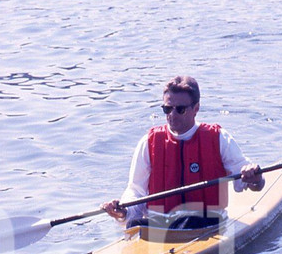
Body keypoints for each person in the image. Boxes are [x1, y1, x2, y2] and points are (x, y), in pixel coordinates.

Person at [101, 75, 265, 229]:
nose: (172, 115)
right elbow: (136, 191)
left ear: (196, 108)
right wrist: (123, 212)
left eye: (180, 109)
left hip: (207, 224)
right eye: (167, 109)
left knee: (190, 221)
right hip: (159, 226)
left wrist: (255, 178)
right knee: (134, 223)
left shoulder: (219, 138)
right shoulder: (149, 142)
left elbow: (251, 183)